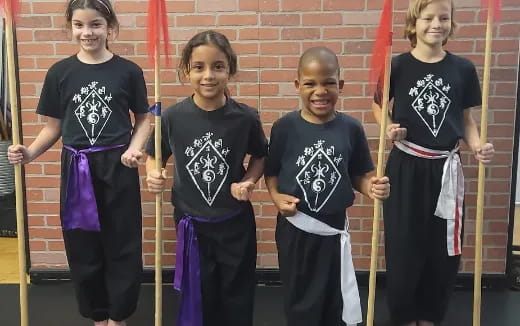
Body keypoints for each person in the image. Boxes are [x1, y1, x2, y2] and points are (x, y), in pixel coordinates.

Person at [7, 0, 149, 325]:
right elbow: (53, 127)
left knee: (122, 242)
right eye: (80, 25)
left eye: (96, 24)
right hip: (77, 169)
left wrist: (135, 148)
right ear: (70, 27)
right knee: (83, 244)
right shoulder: (60, 72)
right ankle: (98, 316)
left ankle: (119, 316)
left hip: (118, 165)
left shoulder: (128, 71)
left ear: (109, 26)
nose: (88, 32)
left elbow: (143, 121)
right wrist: (29, 153)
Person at [371, 1, 495, 325]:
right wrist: (388, 127)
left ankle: (429, 316)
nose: (436, 24)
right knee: (403, 246)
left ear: (452, 23)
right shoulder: (397, 65)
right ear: (414, 23)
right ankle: (404, 316)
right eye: (428, 18)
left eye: (444, 17)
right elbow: (378, 106)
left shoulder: (463, 69)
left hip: (446, 170)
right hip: (405, 167)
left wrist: (478, 145)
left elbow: (467, 120)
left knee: (442, 250)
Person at [145, 30, 268, 326]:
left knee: (237, 297)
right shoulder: (172, 118)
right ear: (186, 70)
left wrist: (249, 181)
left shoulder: (245, 117)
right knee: (200, 296)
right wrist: (154, 175)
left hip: (235, 224)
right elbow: (154, 156)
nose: (208, 76)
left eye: (218, 66)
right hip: (192, 225)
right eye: (199, 67)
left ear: (231, 70)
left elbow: (261, 156)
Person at [265, 46, 390, 326]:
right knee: (300, 300)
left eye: (328, 83)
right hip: (296, 229)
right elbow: (271, 173)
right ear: (297, 86)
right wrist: (275, 197)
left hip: (334, 229)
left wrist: (372, 187)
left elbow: (360, 173)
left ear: (340, 85)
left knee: (334, 300)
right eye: (310, 83)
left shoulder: (351, 128)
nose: (320, 91)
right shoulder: (284, 128)